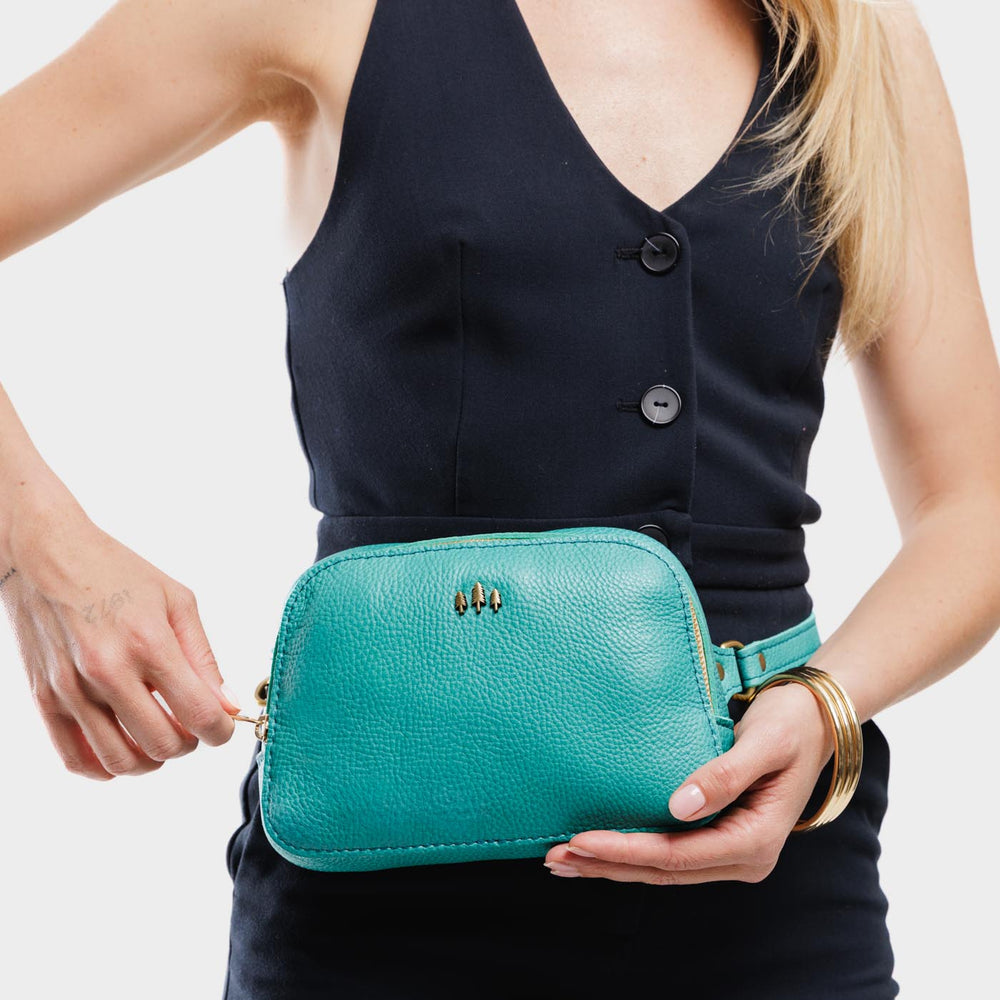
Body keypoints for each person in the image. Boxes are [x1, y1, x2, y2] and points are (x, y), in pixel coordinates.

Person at [1, 0, 998, 997]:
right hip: (378, 898)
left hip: (777, 893)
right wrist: (41, 549)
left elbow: (974, 505)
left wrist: (826, 702)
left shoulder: (858, 39)